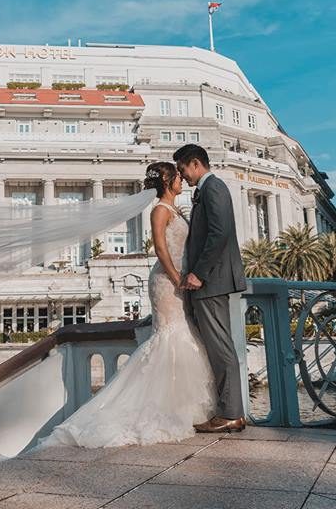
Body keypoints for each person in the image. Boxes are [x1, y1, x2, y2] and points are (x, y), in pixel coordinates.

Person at [40, 161, 216, 447]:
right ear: (168, 182)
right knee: (169, 338)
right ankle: (160, 410)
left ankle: (180, 407)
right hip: (167, 282)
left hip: (178, 281)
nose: (182, 180)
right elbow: (160, 248)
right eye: (177, 177)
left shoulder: (174, 209)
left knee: (181, 337)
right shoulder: (160, 210)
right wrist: (177, 278)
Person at [173, 143, 247, 434]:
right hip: (211, 280)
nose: (183, 176)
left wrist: (199, 274)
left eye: (182, 169)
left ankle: (230, 413)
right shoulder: (205, 190)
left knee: (221, 348)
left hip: (212, 280)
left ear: (194, 163)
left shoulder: (214, 187)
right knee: (217, 347)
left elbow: (220, 233)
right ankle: (229, 410)